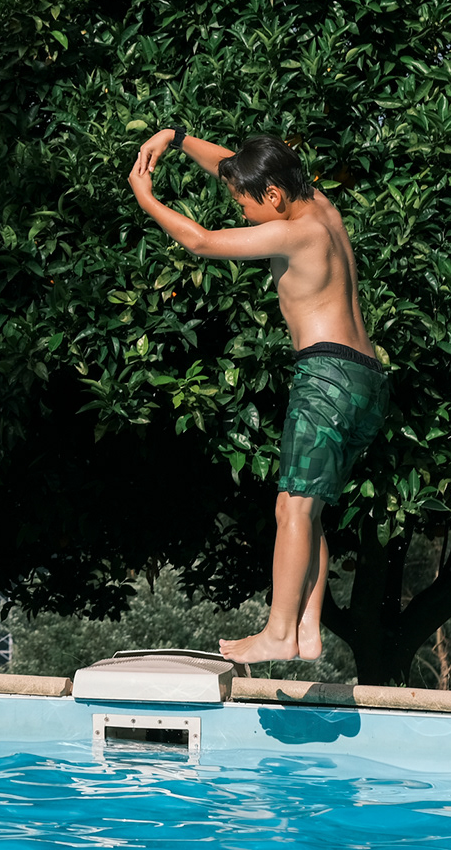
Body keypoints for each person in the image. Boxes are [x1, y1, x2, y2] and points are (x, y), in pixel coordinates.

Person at [127, 128, 388, 665]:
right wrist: (176, 139)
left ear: (272, 196)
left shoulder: (296, 234)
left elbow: (202, 242)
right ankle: (307, 629)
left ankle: (278, 632)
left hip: (327, 376)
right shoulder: (318, 205)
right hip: (366, 379)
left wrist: (146, 199)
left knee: (291, 506)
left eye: (243, 204)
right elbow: (238, 166)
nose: (241, 212)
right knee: (308, 508)